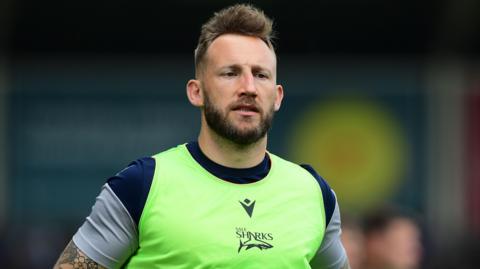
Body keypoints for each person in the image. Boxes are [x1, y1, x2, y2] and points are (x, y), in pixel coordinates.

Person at [53, 4, 350, 269]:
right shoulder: (140, 187)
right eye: (230, 73)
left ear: (277, 96)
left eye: (261, 75)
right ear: (196, 92)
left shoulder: (314, 194)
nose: (248, 87)